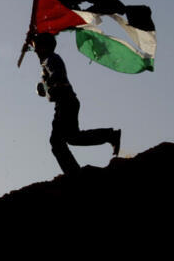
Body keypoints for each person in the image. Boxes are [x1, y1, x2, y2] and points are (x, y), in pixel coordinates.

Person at [33, 32, 121, 175]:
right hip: (68, 101)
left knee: (56, 141)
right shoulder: (48, 60)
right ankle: (110, 135)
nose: (35, 51)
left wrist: (46, 85)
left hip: (65, 101)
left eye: (38, 47)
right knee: (72, 137)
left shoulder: (51, 59)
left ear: (46, 47)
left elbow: (57, 75)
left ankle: (74, 174)